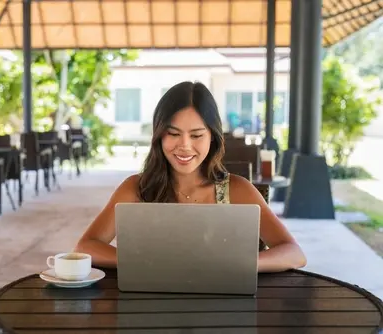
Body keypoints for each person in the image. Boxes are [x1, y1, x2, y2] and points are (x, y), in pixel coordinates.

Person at [74, 81, 306, 273]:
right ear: (159, 136)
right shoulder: (136, 188)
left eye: (196, 135)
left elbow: (294, 253)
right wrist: (145, 264)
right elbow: (85, 247)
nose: (184, 146)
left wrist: (240, 265)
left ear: (212, 138)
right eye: (173, 133)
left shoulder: (238, 190)